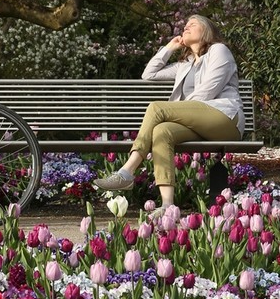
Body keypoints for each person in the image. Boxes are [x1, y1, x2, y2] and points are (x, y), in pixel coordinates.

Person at [94, 15, 244, 208]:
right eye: (185, 24)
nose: (186, 26)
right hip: (197, 123)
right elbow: (148, 74)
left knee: (157, 108)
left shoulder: (219, 51)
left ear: (206, 31)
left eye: (193, 24)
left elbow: (208, 91)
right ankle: (167, 206)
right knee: (162, 132)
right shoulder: (185, 64)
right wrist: (169, 48)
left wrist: (176, 112)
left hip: (225, 119)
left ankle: (127, 171)